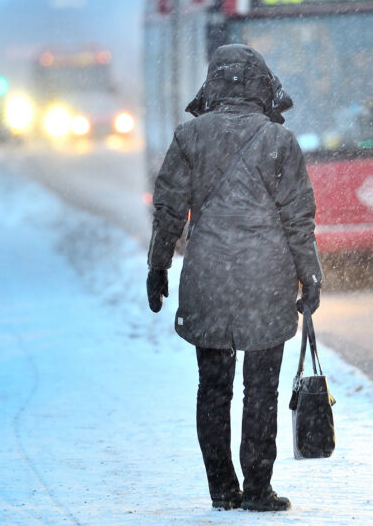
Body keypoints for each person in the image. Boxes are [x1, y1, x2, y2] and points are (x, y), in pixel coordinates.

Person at [145, 44, 323, 512]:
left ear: (214, 85)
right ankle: (259, 489)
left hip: (209, 275)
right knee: (260, 388)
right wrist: (310, 275)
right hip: (267, 277)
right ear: (263, 87)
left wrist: (158, 264)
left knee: (213, 385)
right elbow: (298, 219)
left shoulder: (189, 138)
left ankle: (222, 488)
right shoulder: (279, 142)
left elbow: (168, 210)